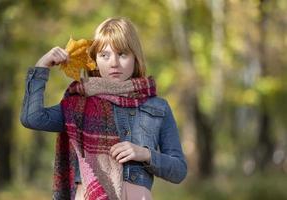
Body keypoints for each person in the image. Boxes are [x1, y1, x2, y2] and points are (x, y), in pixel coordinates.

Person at [20, 17, 187, 200]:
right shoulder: (77, 105)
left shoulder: (157, 107)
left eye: (122, 54)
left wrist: (144, 154)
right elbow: (32, 118)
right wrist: (42, 67)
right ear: (95, 60)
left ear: (135, 57)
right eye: (104, 55)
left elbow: (179, 171)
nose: (114, 63)